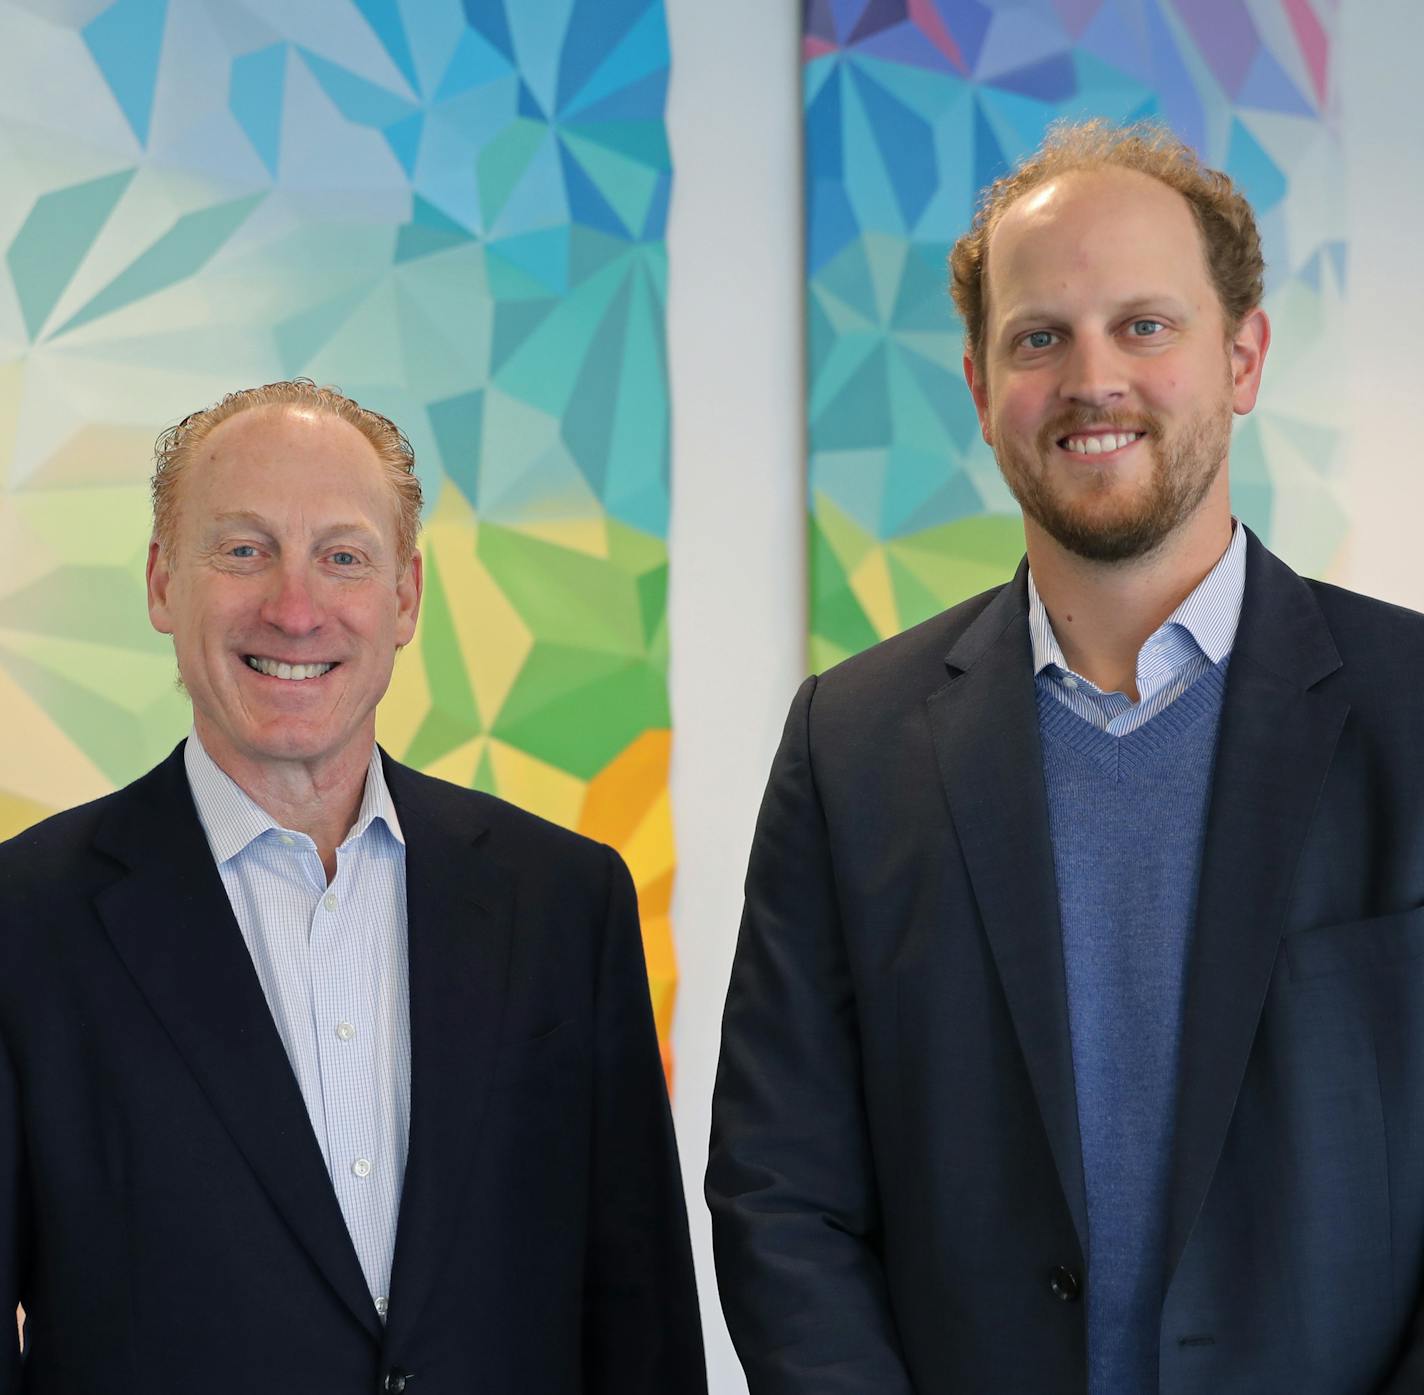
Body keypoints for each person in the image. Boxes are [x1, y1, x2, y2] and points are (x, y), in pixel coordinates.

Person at [707, 119, 1424, 1394]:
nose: (1092, 378)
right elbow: (780, 1189)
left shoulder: (1413, 710)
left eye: (1144, 326)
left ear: (1242, 356)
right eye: (1038, 338)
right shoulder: (850, 744)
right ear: (981, 391)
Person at [0, 380, 706, 1393]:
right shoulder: (27, 922)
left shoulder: (562, 904)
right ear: (162, 583)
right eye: (243, 550)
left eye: (343, 557)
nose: (295, 607)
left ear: (405, 598)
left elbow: (639, 1323)